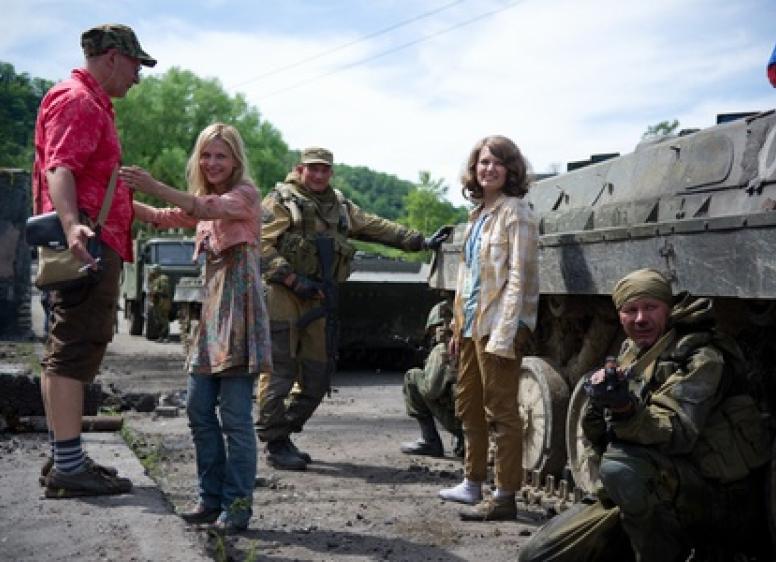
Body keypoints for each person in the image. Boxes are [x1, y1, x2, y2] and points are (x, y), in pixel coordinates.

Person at [519, 268, 772, 562]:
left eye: (650, 307)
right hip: (655, 489)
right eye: (631, 310)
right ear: (620, 316)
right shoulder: (633, 353)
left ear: (668, 309)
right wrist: (598, 407)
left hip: (714, 498)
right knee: (537, 555)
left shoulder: (701, 357)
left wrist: (625, 409)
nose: (640, 318)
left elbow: (676, 432)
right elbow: (601, 441)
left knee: (621, 467)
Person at [257, 146, 451, 470]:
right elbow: (259, 243)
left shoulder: (339, 206)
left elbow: (376, 226)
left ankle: (282, 432)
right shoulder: (280, 201)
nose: (318, 175)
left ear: (330, 173)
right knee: (280, 370)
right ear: (300, 169)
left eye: (324, 169)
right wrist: (291, 279)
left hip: (320, 294)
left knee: (318, 375)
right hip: (283, 293)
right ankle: (274, 442)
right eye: (312, 168)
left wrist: (419, 241)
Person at [120, 122, 271, 532]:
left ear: (235, 160)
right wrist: (113, 192)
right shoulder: (204, 205)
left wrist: (153, 184)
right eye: (206, 155)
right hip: (211, 320)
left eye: (221, 155)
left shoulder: (244, 196)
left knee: (235, 418)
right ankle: (210, 499)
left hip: (239, 318)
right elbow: (160, 216)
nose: (212, 162)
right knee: (198, 409)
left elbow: (204, 208)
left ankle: (236, 506)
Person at [33, 23, 155, 498]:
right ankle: (68, 466)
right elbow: (61, 167)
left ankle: (66, 456)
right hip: (87, 244)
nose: (137, 77)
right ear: (112, 58)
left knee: (67, 349)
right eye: (135, 65)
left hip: (87, 240)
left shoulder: (86, 101)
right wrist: (72, 227)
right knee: (73, 350)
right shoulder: (80, 101)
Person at [438, 135, 539, 522]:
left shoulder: (516, 212)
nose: (489, 169)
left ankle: (505, 495)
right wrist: (456, 327)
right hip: (471, 325)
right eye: (483, 162)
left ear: (511, 170)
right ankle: (472, 481)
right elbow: (468, 278)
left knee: (501, 411)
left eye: (497, 162)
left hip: (499, 325)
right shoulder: (478, 214)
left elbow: (519, 278)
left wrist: (505, 333)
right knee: (468, 405)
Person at [400, 299, 464, 458]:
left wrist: (427, 370)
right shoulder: (468, 344)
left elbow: (431, 390)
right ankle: (463, 441)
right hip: (476, 423)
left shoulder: (442, 349)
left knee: (412, 377)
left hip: (461, 421)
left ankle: (429, 441)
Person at [147, 264, 171, 342]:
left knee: (164, 320)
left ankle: (166, 337)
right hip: (157, 302)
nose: (151, 272)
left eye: (153, 270)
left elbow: (165, 290)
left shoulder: (163, 278)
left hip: (163, 301)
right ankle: (161, 337)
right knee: (158, 320)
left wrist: (156, 292)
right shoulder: (155, 279)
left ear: (157, 270)